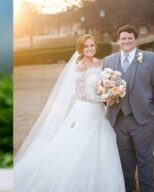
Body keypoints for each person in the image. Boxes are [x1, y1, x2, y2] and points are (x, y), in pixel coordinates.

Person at [14, 34, 125, 192]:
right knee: (84, 139)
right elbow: (80, 94)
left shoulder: (97, 62)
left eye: (92, 45)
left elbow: (99, 85)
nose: (89, 49)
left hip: (98, 110)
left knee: (100, 139)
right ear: (80, 48)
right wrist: (103, 98)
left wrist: (109, 95)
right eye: (86, 46)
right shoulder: (80, 66)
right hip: (86, 109)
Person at [104, 25, 154, 192]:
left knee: (145, 158)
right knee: (124, 157)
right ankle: (128, 187)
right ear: (119, 40)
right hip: (118, 118)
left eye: (130, 38)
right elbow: (103, 89)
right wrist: (106, 101)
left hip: (144, 118)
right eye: (123, 38)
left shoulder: (150, 58)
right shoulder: (109, 61)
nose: (127, 41)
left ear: (135, 39)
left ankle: (147, 188)